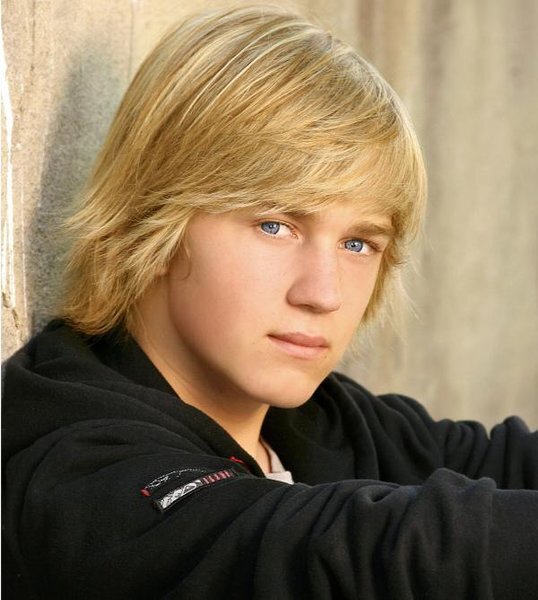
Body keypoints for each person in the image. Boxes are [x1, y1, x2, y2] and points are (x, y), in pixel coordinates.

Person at [2, 4, 537, 599]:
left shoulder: (315, 422)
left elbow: (504, 463)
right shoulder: (75, 469)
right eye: (275, 225)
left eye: (358, 243)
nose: (323, 293)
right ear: (154, 217)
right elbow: (345, 553)